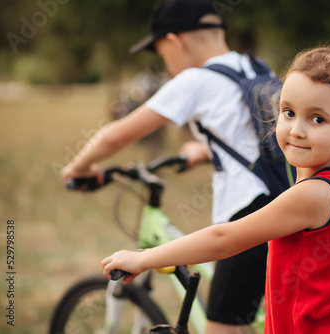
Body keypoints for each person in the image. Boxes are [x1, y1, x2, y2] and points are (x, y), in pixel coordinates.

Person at [102, 36, 330, 333]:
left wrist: (144, 258)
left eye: (317, 119)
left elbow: (224, 239)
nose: (296, 130)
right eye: (288, 113)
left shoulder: (314, 194)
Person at [61, 0, 283, 333]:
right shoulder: (253, 66)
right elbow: (258, 136)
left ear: (175, 40)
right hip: (280, 200)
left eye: (161, 52)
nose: (164, 61)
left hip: (246, 216)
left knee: (221, 328)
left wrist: (78, 167)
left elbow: (117, 136)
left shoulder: (195, 80)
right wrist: (207, 151)